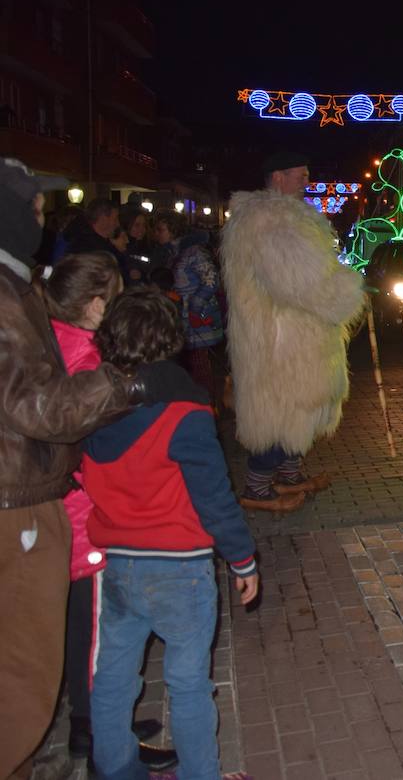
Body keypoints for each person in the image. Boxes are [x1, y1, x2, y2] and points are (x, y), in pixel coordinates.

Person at [0, 156, 190, 780]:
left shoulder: (24, 293)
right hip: (45, 506)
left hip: (48, 500)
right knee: (68, 649)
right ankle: (102, 741)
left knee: (64, 641)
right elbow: (40, 407)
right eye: (32, 206)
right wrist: (130, 386)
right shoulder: (14, 303)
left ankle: (97, 728)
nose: (42, 218)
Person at [84, 289, 259, 780]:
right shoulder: (185, 412)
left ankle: (116, 768)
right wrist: (242, 558)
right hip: (179, 567)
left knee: (114, 674)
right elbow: (214, 496)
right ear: (170, 339)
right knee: (187, 682)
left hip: (117, 564)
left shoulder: (91, 407)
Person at [43, 254, 177, 773]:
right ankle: (105, 741)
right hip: (85, 518)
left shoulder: (54, 341)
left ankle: (92, 723)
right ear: (96, 305)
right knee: (101, 637)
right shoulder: (84, 362)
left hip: (70, 513)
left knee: (85, 630)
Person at [220, 152, 364, 512]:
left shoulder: (283, 218)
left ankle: (289, 473)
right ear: (278, 177)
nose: (306, 180)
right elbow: (302, 283)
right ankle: (257, 487)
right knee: (280, 413)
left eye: (307, 173)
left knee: (298, 412)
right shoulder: (270, 220)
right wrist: (349, 289)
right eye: (300, 174)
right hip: (281, 341)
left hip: (292, 335)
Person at [173, 228, 226, 412]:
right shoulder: (182, 252)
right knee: (196, 364)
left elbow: (211, 281)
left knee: (200, 364)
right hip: (188, 317)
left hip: (198, 318)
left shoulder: (193, 252)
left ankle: (208, 407)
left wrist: (195, 308)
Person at [52, 201, 120, 263]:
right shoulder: (86, 246)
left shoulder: (96, 242)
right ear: (103, 219)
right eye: (115, 219)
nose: (118, 224)